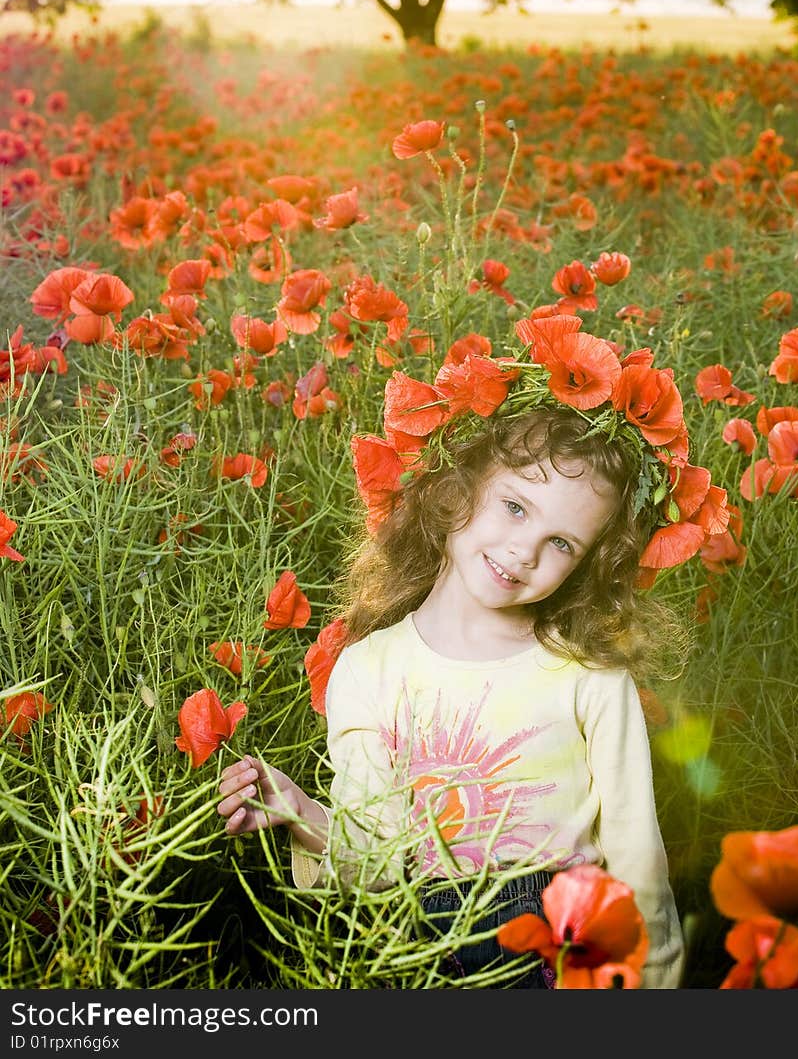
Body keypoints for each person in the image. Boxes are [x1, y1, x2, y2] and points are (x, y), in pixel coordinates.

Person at [217, 324, 719, 989]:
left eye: (562, 542)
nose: (524, 550)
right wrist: (298, 811)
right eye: (514, 505)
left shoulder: (590, 677)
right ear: (454, 489)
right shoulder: (367, 669)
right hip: (410, 950)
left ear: (586, 564)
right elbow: (371, 861)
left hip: (557, 952)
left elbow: (636, 857)